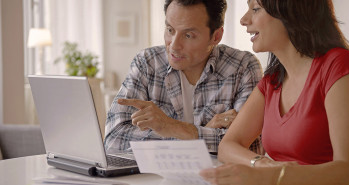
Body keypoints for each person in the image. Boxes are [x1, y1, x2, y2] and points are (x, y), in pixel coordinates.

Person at [200, 0, 349, 184]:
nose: (244, 20)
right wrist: (261, 164)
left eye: (255, 9)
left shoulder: (338, 66)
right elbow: (227, 146)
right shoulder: (272, 81)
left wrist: (270, 176)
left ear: (289, 12)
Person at [104, 0, 264, 154]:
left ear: (216, 36)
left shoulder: (243, 67)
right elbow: (114, 138)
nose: (174, 45)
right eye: (170, 30)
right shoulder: (147, 62)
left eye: (188, 35)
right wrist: (196, 133)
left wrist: (172, 127)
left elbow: (250, 148)